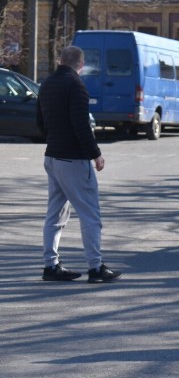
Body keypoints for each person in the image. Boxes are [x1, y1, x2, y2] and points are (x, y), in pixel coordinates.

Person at [37, 46, 122, 283]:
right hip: (73, 159)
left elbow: (39, 120)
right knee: (90, 214)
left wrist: (53, 138)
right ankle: (95, 268)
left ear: (60, 60)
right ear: (81, 64)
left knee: (54, 215)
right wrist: (95, 154)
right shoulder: (76, 86)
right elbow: (81, 125)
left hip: (52, 156)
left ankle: (50, 265)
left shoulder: (46, 84)